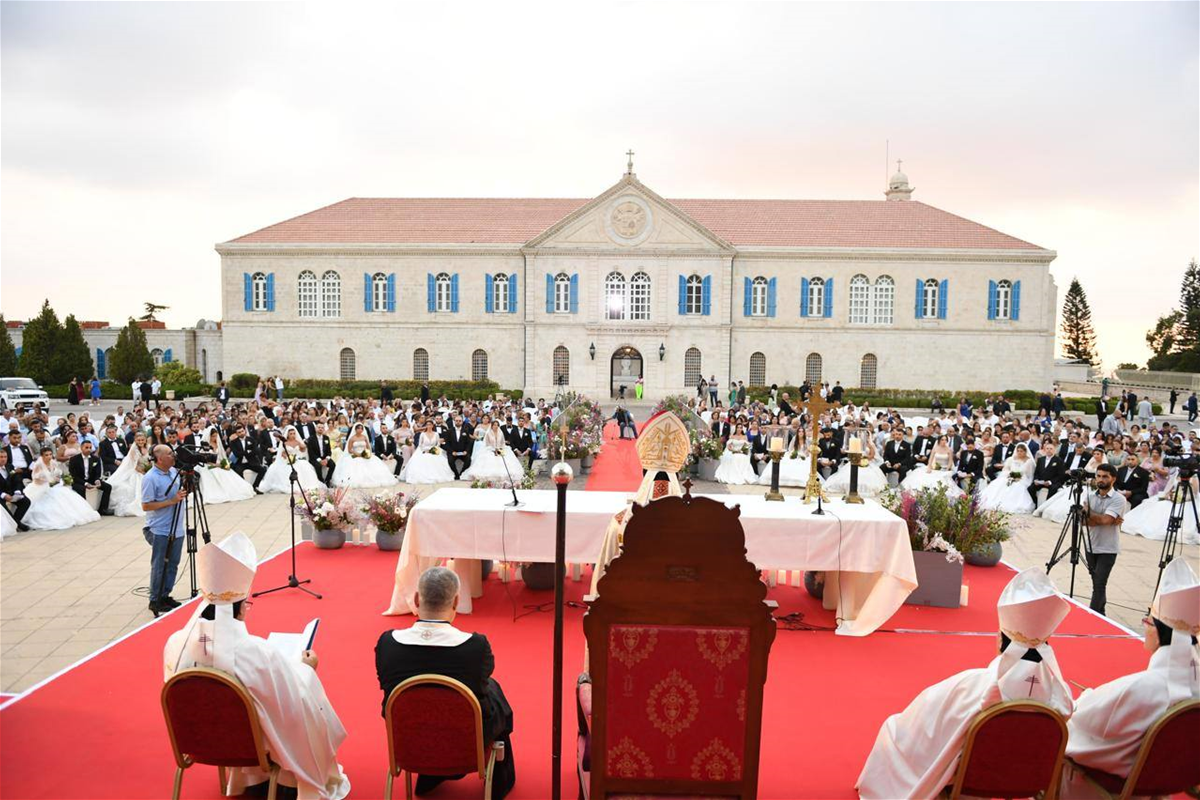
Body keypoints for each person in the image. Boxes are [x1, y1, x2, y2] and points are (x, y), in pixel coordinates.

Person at [856, 568, 1073, 800]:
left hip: (972, 779)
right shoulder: (1060, 695)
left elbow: (921, 730)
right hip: (1027, 781)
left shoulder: (970, 685)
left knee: (894, 729)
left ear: (1000, 638)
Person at [164, 532, 351, 800]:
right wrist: (306, 669)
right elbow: (292, 705)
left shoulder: (175, 643)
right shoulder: (256, 652)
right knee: (299, 699)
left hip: (198, 741)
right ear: (240, 608)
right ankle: (285, 779)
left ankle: (250, 778)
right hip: (249, 745)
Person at [1062, 558, 1199, 797]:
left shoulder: (1140, 687)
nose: (1145, 626)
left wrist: (1086, 699)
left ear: (1159, 632)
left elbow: (1082, 725)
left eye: (1148, 621)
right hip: (1170, 777)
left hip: (1118, 788)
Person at [376, 567, 515, 799]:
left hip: (409, 742)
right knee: (492, 690)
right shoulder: (476, 648)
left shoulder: (387, 644)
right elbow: (482, 686)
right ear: (456, 602)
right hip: (466, 744)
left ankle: (429, 773)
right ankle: (499, 779)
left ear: (417, 600)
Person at [141, 445, 188, 613]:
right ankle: (155, 599)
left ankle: (165, 595)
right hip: (159, 529)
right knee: (160, 565)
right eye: (169, 454)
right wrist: (171, 501)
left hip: (177, 527)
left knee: (173, 564)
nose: (174, 455)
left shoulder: (174, 471)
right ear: (160, 459)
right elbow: (146, 505)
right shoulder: (150, 478)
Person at [22, 447, 102, 531]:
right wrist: (48, 481)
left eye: (50, 454)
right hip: (39, 487)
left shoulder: (53, 463)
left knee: (65, 496)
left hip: (51, 486)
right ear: (42, 456)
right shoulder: (38, 465)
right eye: (46, 455)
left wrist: (57, 480)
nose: (49, 457)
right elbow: (35, 479)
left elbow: (56, 475)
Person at [1084, 463, 1126, 616]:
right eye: (1098, 476)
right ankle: (1101, 613)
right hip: (1091, 544)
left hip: (1108, 548)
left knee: (1100, 583)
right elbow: (1084, 522)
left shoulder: (1119, 499)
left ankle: (1093, 615)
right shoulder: (1089, 496)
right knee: (1096, 582)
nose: (1101, 479)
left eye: (1105, 477)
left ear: (1113, 479)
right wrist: (1102, 519)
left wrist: (1090, 513)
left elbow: (1105, 520)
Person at [330, 423, 398, 488]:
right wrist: (357, 454)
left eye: (361, 428)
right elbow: (350, 450)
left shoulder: (364, 437)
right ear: (355, 429)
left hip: (364, 454)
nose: (360, 430)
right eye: (358, 428)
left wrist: (365, 453)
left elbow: (368, 447)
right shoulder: (352, 438)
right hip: (355, 454)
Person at [198, 428, 255, 504]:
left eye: (216, 436)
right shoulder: (205, 445)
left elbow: (222, 456)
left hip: (219, 464)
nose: (215, 438)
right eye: (213, 436)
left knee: (228, 473)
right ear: (209, 436)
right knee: (216, 472)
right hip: (209, 465)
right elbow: (204, 459)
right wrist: (217, 465)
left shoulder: (218, 444)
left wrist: (225, 464)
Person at [260, 426, 324, 494]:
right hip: (287, 461)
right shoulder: (284, 442)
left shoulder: (297, 442)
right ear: (287, 434)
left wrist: (303, 447)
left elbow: (302, 451)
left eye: (294, 433)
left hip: (296, 460)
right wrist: (288, 458)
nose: (293, 435)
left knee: (304, 468)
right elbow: (283, 454)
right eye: (291, 434)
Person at [979, 442, 1036, 513]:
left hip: (1022, 478)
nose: (1019, 453)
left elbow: (1029, 474)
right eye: (1018, 451)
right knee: (1000, 483)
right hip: (1009, 476)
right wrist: (1009, 475)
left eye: (1021, 451)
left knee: (1017, 486)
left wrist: (1017, 477)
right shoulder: (1011, 459)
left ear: (1025, 452)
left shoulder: (1029, 461)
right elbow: (1006, 469)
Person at [68, 439, 114, 515]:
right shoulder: (74, 459)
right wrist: (85, 484)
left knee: (108, 487)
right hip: (79, 481)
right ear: (81, 448)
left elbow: (97, 473)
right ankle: (84, 510)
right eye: (86, 447)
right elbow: (74, 476)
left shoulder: (95, 459)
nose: (89, 449)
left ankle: (103, 509)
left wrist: (97, 480)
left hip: (92, 480)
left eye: (90, 447)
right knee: (81, 489)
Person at [0, 449, 32, 531]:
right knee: (3, 507)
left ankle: (15, 522)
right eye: (1, 457)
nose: (3, 459)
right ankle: (18, 525)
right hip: (1, 494)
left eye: (5, 457)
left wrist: (17, 491)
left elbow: (17, 480)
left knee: (26, 501)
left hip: (10, 492)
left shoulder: (9, 466)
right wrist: (3, 495)